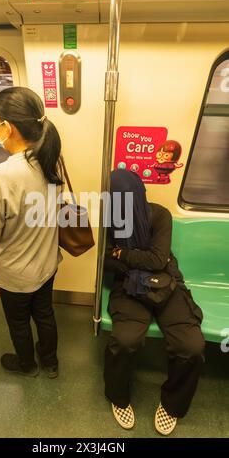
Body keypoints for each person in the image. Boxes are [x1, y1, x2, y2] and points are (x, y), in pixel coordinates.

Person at [104, 169, 205, 435]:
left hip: (165, 283)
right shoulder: (110, 219)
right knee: (124, 341)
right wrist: (132, 257)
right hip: (128, 284)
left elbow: (158, 260)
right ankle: (119, 397)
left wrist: (122, 252)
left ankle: (172, 404)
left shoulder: (160, 214)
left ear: (140, 193)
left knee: (192, 346)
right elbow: (105, 261)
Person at [0, 87, 63, 379]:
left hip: (16, 274)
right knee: (45, 314)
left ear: (8, 128)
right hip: (47, 263)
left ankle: (27, 365)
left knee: (18, 322)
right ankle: (50, 362)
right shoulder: (52, 161)